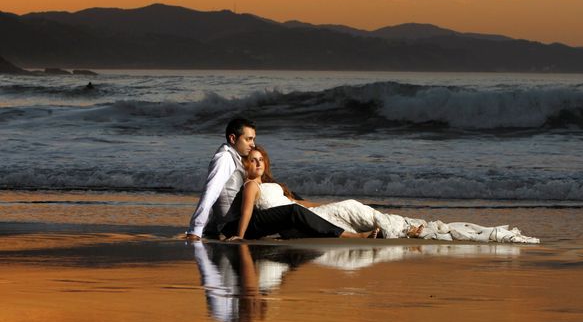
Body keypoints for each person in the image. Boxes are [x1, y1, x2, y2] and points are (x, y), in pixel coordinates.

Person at [230, 146, 540, 243]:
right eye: (251, 160)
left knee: (351, 208)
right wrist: (239, 237)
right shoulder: (251, 186)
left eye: (260, 159)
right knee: (354, 208)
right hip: (296, 224)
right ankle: (398, 230)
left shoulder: (275, 185)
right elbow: (247, 213)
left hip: (309, 215)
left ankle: (406, 228)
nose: (257, 163)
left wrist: (321, 206)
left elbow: (298, 204)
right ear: (245, 165)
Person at [186, 118, 359, 241]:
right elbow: (211, 192)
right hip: (235, 226)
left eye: (253, 139)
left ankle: (331, 218)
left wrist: (210, 229)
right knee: (291, 210)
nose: (253, 144)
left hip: (237, 221)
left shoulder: (235, 157)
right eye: (248, 139)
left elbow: (222, 197)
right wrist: (196, 230)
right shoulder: (224, 159)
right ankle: (348, 235)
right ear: (233, 138)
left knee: (288, 196)